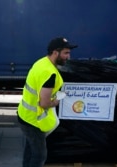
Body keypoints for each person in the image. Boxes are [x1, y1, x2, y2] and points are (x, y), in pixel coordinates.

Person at [17, 37, 78, 167]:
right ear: (56, 52)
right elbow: (44, 104)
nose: (69, 57)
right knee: (39, 155)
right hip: (33, 121)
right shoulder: (50, 73)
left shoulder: (41, 62)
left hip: (25, 114)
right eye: (66, 53)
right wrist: (56, 100)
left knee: (30, 149)